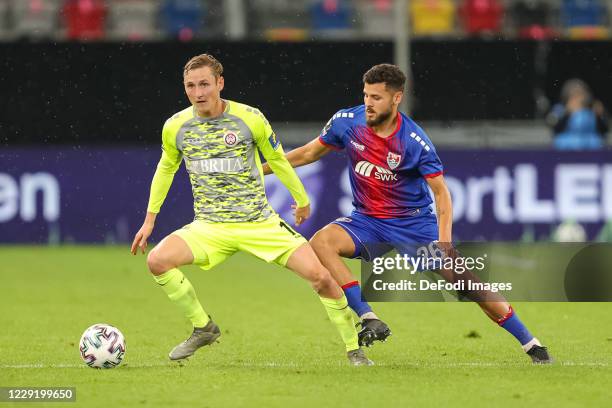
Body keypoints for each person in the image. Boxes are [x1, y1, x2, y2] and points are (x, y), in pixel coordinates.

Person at [263, 63, 552, 363]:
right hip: (367, 220)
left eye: (376, 98)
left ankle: (533, 345)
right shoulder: (347, 122)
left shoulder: (414, 142)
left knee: (468, 285)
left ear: (396, 98)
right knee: (322, 242)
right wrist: (261, 169)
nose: (368, 103)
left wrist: (444, 243)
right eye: (366, 95)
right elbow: (308, 152)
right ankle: (369, 317)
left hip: (412, 224)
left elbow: (441, 193)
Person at [130, 54, 371, 366]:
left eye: (204, 84)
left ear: (220, 83)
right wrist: (150, 220)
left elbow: (279, 158)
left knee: (321, 277)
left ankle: (354, 349)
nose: (198, 92)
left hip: (259, 224)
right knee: (158, 261)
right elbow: (165, 169)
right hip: (209, 227)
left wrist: (301, 198)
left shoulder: (249, 118)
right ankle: (203, 327)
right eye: (191, 86)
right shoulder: (176, 126)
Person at [547, 78, 609, 150]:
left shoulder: (592, 109)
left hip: (591, 146)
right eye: (574, 94)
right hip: (566, 147)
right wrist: (567, 114)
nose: (578, 98)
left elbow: (604, 131)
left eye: (580, 94)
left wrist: (599, 115)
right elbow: (555, 130)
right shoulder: (560, 108)